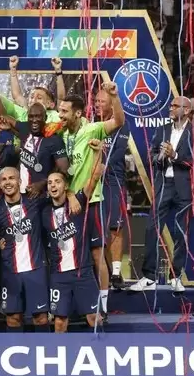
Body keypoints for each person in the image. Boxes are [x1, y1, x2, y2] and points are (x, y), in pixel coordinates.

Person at [58, 90, 125, 315]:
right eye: (59, 111)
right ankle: (76, 304)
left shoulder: (91, 129)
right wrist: (69, 195)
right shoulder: (60, 135)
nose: (60, 115)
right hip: (68, 203)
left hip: (91, 202)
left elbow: (118, 121)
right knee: (71, 253)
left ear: (78, 113)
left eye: (64, 111)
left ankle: (103, 304)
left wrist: (114, 97)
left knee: (97, 254)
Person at [130, 96, 194, 293]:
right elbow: (152, 154)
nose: (170, 108)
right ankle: (149, 277)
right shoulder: (162, 129)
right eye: (170, 105)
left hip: (183, 188)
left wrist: (175, 156)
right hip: (163, 185)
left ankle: (175, 276)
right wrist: (161, 157)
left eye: (174, 106)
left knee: (180, 233)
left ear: (186, 110)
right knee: (151, 229)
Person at [0, 167, 54, 333]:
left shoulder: (34, 202)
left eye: (11, 178)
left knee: (40, 317)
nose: (8, 182)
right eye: (3, 179)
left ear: (19, 181)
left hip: (36, 269)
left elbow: (59, 194)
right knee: (13, 318)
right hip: (10, 272)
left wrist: (72, 196)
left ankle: (42, 348)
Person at [43, 170, 101, 332]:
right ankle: (58, 349)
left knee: (94, 318)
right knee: (59, 322)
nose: (53, 185)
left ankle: (101, 347)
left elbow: (95, 177)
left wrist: (71, 195)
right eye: (50, 182)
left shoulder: (78, 202)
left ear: (66, 185)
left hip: (83, 271)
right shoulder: (44, 212)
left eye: (57, 181)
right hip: (58, 275)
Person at [94, 88, 131, 289]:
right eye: (96, 101)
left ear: (111, 104)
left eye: (101, 101)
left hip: (113, 180)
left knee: (115, 226)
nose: (97, 104)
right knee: (97, 229)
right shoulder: (91, 122)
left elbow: (118, 153)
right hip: (92, 181)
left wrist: (102, 166)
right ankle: (105, 270)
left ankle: (116, 273)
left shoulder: (121, 124)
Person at [0, 105, 68, 198]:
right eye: (31, 117)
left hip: (42, 196)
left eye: (38, 116)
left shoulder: (55, 140)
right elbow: (4, 116)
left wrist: (42, 183)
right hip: (21, 194)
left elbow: (64, 170)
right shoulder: (25, 128)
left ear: (45, 118)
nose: (34, 120)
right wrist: (9, 128)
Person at [0, 55, 62, 124]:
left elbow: (61, 98)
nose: (34, 100)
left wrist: (58, 72)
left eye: (39, 98)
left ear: (50, 104)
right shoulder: (22, 114)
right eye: (31, 97)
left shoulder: (55, 116)